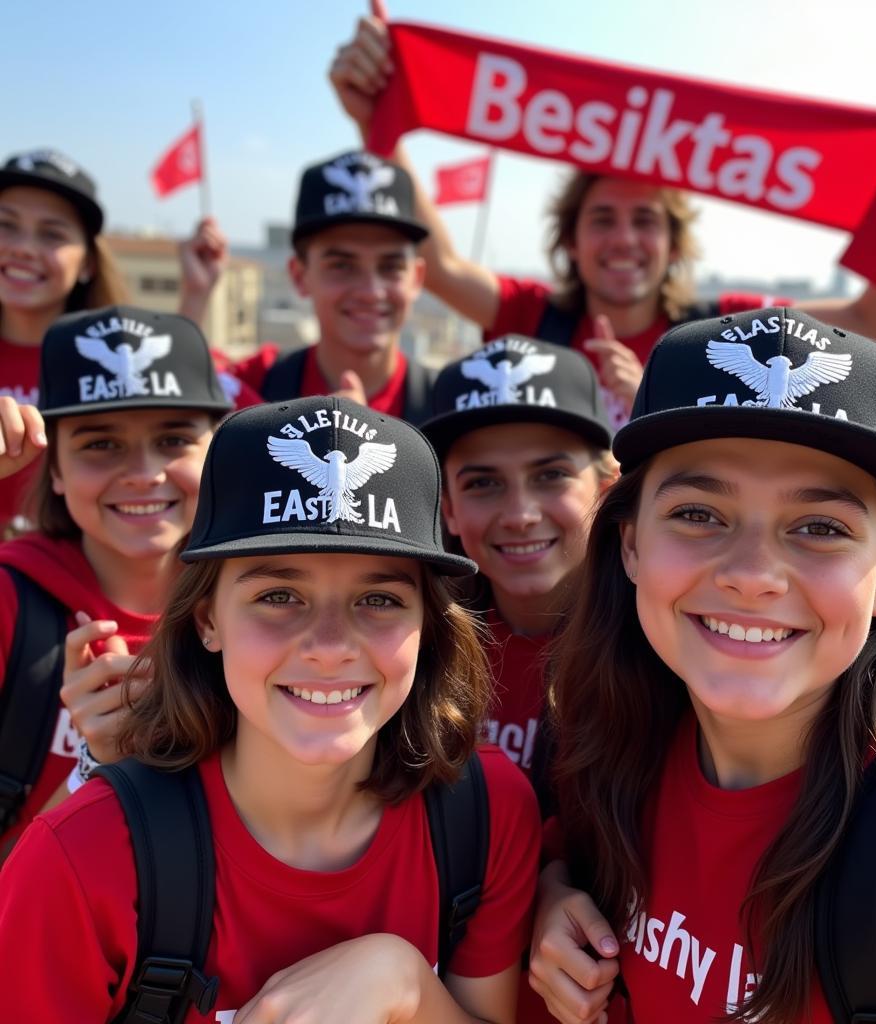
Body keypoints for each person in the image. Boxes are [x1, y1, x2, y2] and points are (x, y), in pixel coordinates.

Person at [527, 308, 876, 1022]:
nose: (754, 574)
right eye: (699, 514)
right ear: (631, 544)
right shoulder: (611, 742)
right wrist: (553, 888)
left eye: (821, 528)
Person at [0, 394, 540, 1023]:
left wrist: (404, 982)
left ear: (428, 623)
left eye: (380, 600)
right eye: (280, 595)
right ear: (207, 618)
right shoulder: (81, 854)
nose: (332, 647)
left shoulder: (484, 809)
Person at [331, 17, 876, 425]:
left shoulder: (721, 329)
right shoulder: (533, 315)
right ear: (571, 243)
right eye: (603, 218)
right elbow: (439, 267)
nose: (625, 239)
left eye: (646, 220)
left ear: (672, 245)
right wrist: (376, 122)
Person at [0, 305, 231, 854]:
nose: (143, 472)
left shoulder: (268, 605)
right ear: (54, 467)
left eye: (174, 440)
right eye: (101, 444)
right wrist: (94, 765)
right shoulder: (10, 599)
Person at [421, 335, 615, 773]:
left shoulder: (664, 653)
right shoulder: (415, 650)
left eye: (551, 475)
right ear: (448, 508)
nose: (520, 515)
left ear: (606, 491)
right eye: (483, 483)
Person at [180, 150, 439, 422]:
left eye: (390, 267)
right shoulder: (261, 383)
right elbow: (181, 380)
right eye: (342, 266)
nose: (370, 291)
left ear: (416, 277)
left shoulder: (449, 406)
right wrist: (196, 295)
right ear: (299, 276)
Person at [0, 149, 130, 531]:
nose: (24, 247)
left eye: (52, 233)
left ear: (88, 263)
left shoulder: (125, 366)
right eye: (6, 224)